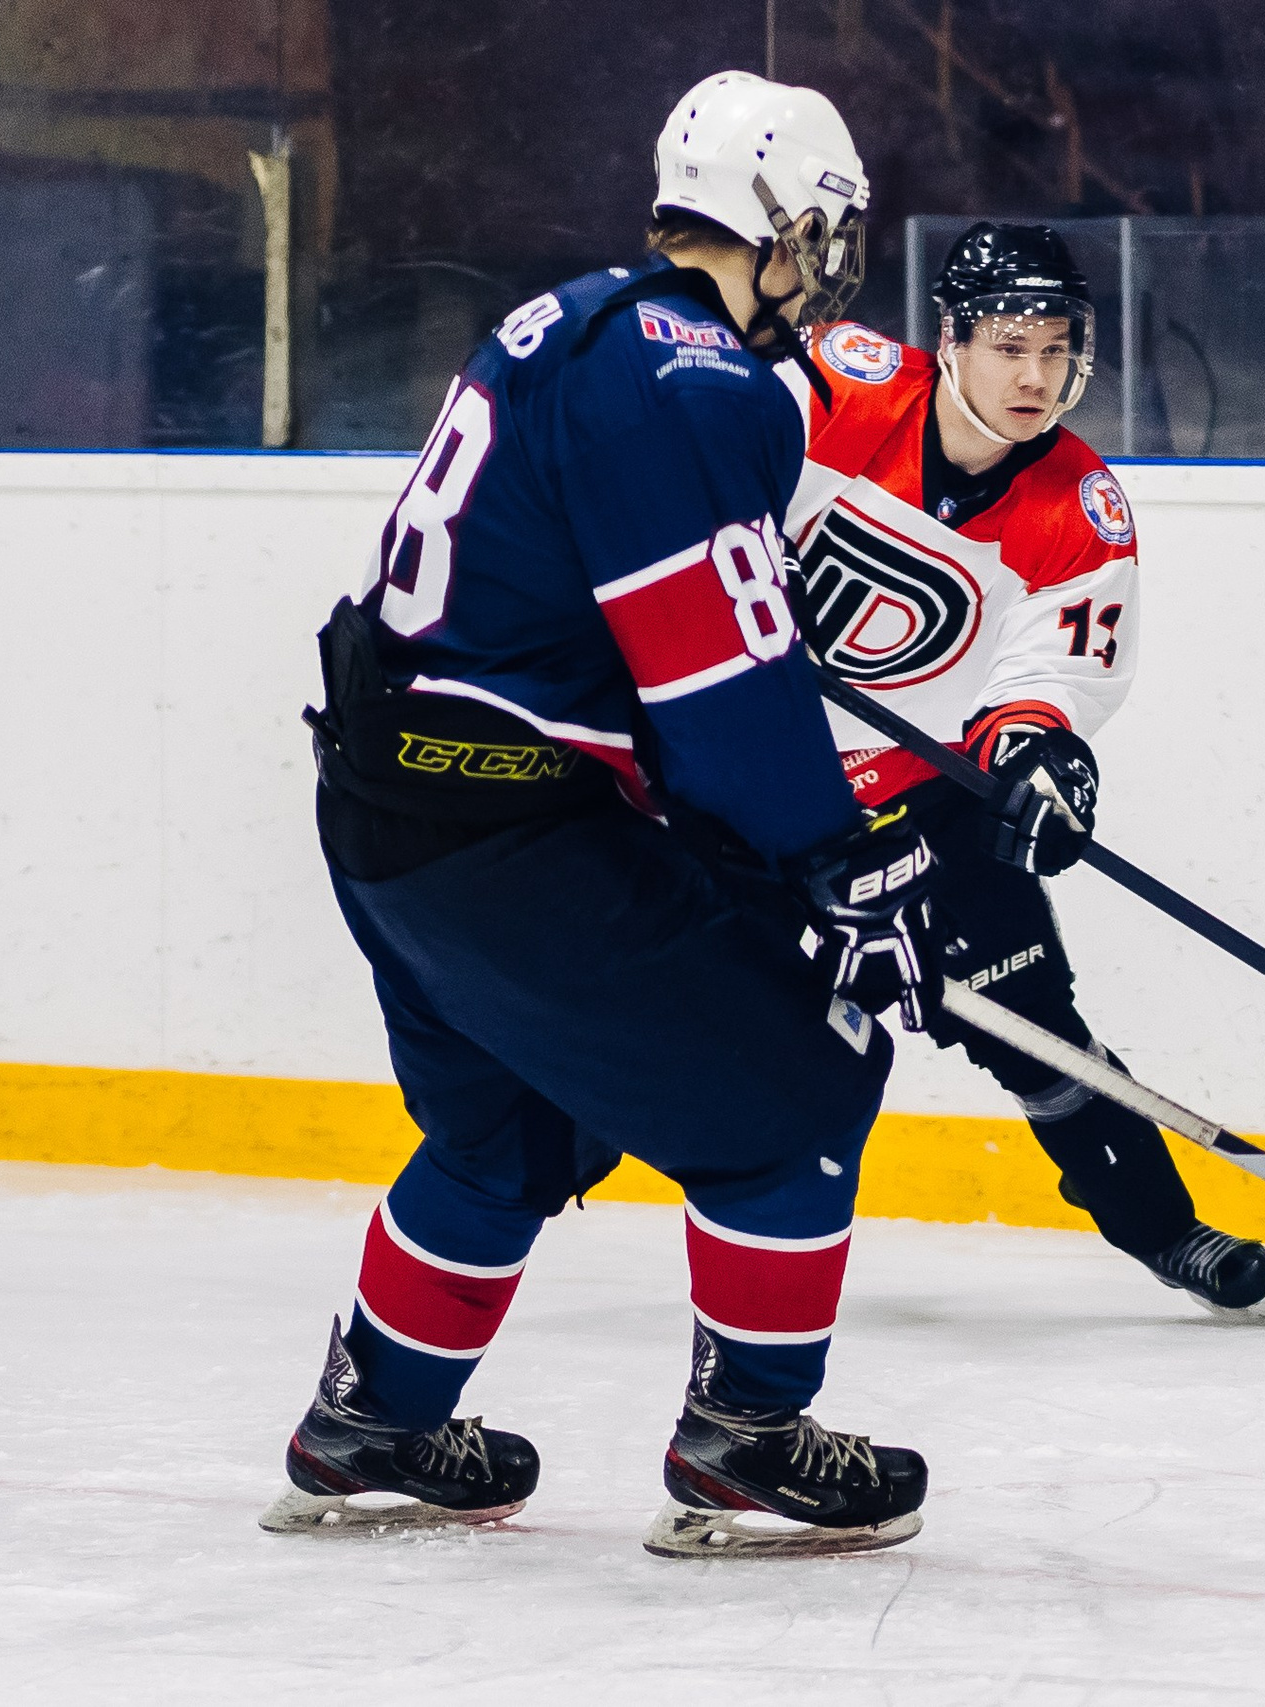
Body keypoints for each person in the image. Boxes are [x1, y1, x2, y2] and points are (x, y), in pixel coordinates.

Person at [262, 71, 943, 1560]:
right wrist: (837, 858)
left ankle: (375, 1416)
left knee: (510, 1125)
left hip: (394, 810)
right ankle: (751, 1434)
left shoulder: (574, 320)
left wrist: (780, 821)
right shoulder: (697, 376)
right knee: (807, 1069)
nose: (828, 268)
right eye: (822, 235)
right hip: (509, 825)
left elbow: (639, 636)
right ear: (778, 224)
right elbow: (717, 677)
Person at [774, 223, 1265, 1326]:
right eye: (1011, 345)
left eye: (1057, 350)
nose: (1035, 375)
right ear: (949, 338)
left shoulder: (1078, 504)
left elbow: (1053, 672)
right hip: (739, 778)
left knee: (1030, 1015)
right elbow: (687, 478)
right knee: (667, 1007)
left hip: (919, 791)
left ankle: (1167, 1232)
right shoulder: (838, 391)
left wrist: (1036, 756)